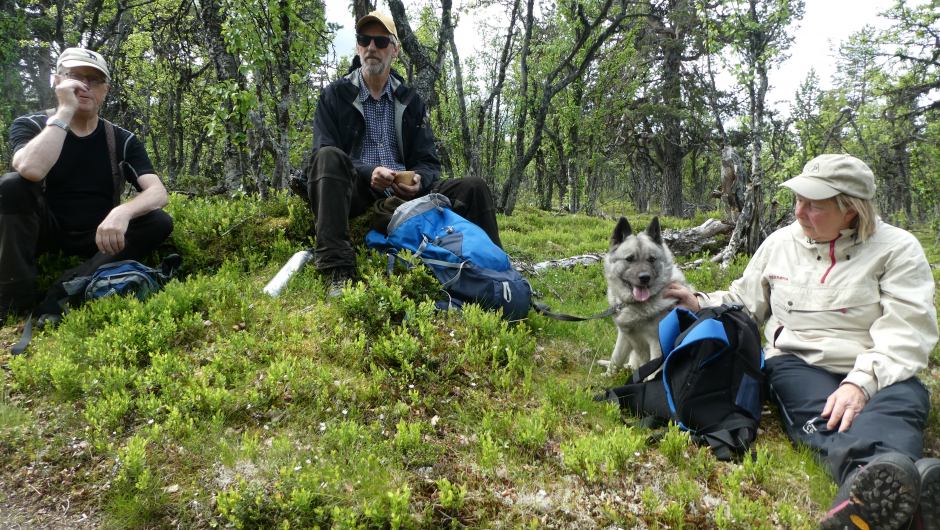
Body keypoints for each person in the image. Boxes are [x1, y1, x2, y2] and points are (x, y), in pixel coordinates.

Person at [667, 154, 939, 530]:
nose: (798, 212)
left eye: (814, 205)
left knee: (899, 405)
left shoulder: (898, 249)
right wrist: (698, 302)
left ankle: (871, 496)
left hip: (879, 363)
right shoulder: (780, 243)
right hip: (797, 360)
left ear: (851, 211)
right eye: (798, 200)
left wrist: (860, 382)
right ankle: (901, 491)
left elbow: (908, 330)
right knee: (827, 418)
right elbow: (746, 300)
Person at [306, 10, 502, 298]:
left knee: (474, 187)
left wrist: (419, 179)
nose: (372, 47)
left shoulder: (411, 101)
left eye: (381, 42)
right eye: (365, 40)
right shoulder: (334, 96)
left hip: (406, 195)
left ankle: (498, 271)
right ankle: (338, 268)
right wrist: (367, 172)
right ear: (358, 47)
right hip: (356, 190)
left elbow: (428, 162)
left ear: (394, 51)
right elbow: (321, 150)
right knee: (327, 157)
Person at [3, 48, 173, 322]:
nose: (84, 86)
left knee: (159, 220)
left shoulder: (121, 138)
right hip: (44, 231)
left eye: (93, 80)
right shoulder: (32, 124)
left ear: (105, 90)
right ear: (57, 82)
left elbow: (158, 192)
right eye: (75, 77)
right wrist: (65, 111)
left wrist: (123, 212)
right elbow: (30, 170)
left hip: (99, 235)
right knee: (11, 186)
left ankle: (65, 288)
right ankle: (12, 299)